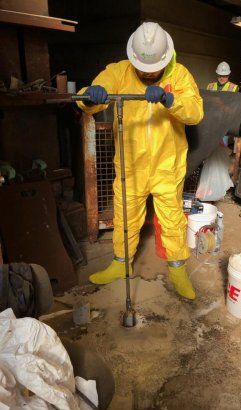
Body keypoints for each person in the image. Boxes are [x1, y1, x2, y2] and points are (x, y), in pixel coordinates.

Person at [76, 22, 203, 300]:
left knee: (171, 219)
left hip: (166, 166)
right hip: (130, 166)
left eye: (153, 69)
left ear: (166, 58)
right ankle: (120, 264)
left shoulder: (179, 75)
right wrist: (90, 96)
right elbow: (94, 95)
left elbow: (195, 113)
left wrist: (170, 100)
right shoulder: (119, 71)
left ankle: (178, 269)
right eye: (142, 69)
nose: (148, 73)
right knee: (125, 217)